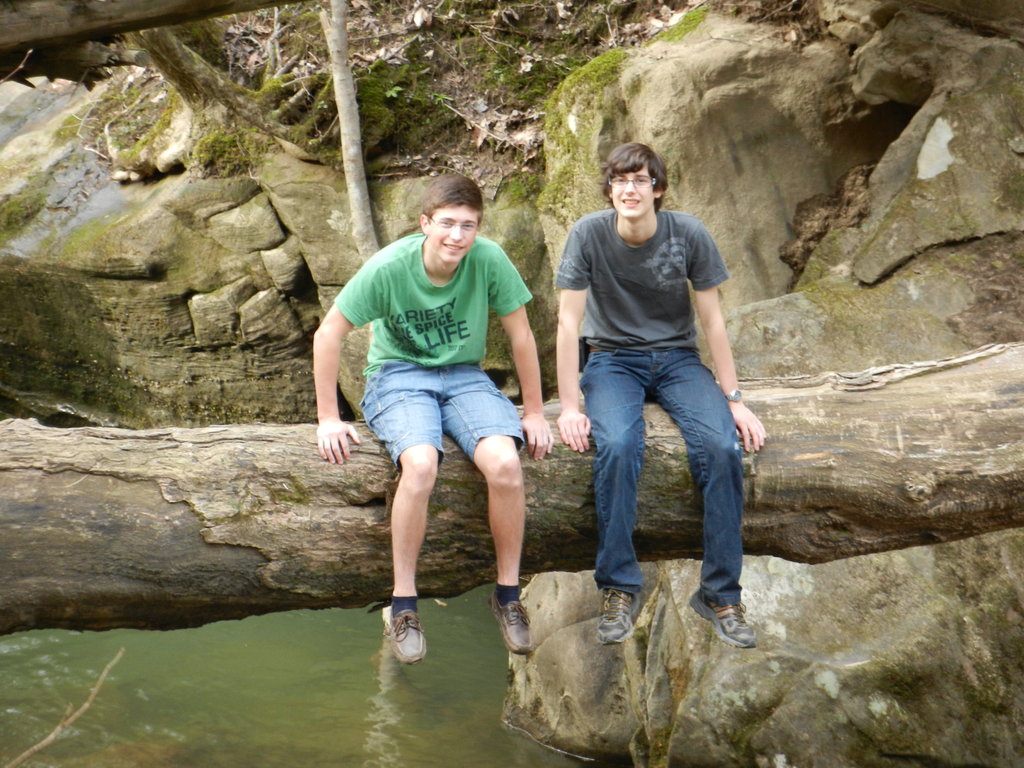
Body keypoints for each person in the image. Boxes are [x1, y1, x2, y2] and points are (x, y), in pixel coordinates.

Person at [313, 174, 553, 664]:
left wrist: (534, 411)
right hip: (397, 375)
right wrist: (328, 418)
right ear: (425, 223)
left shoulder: (488, 259)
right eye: (446, 223)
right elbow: (328, 333)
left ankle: (508, 596)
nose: (456, 236)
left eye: (468, 226)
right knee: (421, 464)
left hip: (464, 375)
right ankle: (403, 603)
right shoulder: (390, 267)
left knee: (506, 465)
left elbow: (522, 336)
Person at [555, 142, 766, 648]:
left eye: (640, 180)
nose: (629, 189)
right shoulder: (587, 234)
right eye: (620, 180)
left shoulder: (688, 233)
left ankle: (720, 594)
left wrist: (734, 399)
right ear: (609, 189)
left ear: (658, 189)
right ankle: (619, 588)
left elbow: (713, 320)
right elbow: (567, 323)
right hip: (611, 360)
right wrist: (569, 407)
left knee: (721, 446)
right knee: (619, 444)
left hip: (677, 360)